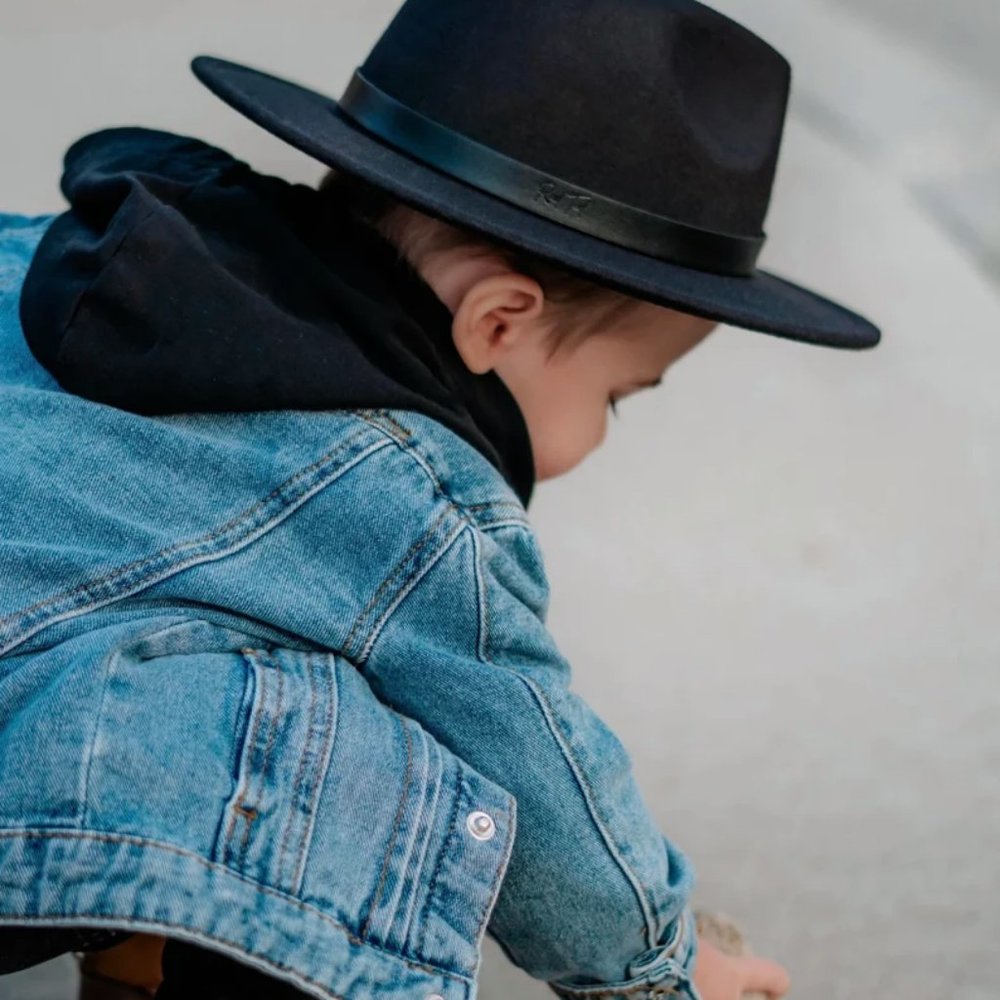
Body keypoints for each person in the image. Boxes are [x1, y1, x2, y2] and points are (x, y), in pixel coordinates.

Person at [0, 1, 879, 999]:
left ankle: (139, 946)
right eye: (616, 398)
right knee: (345, 764)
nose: (599, 433)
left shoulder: (66, 260)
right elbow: (537, 776)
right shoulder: (416, 500)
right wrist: (670, 965)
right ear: (499, 322)